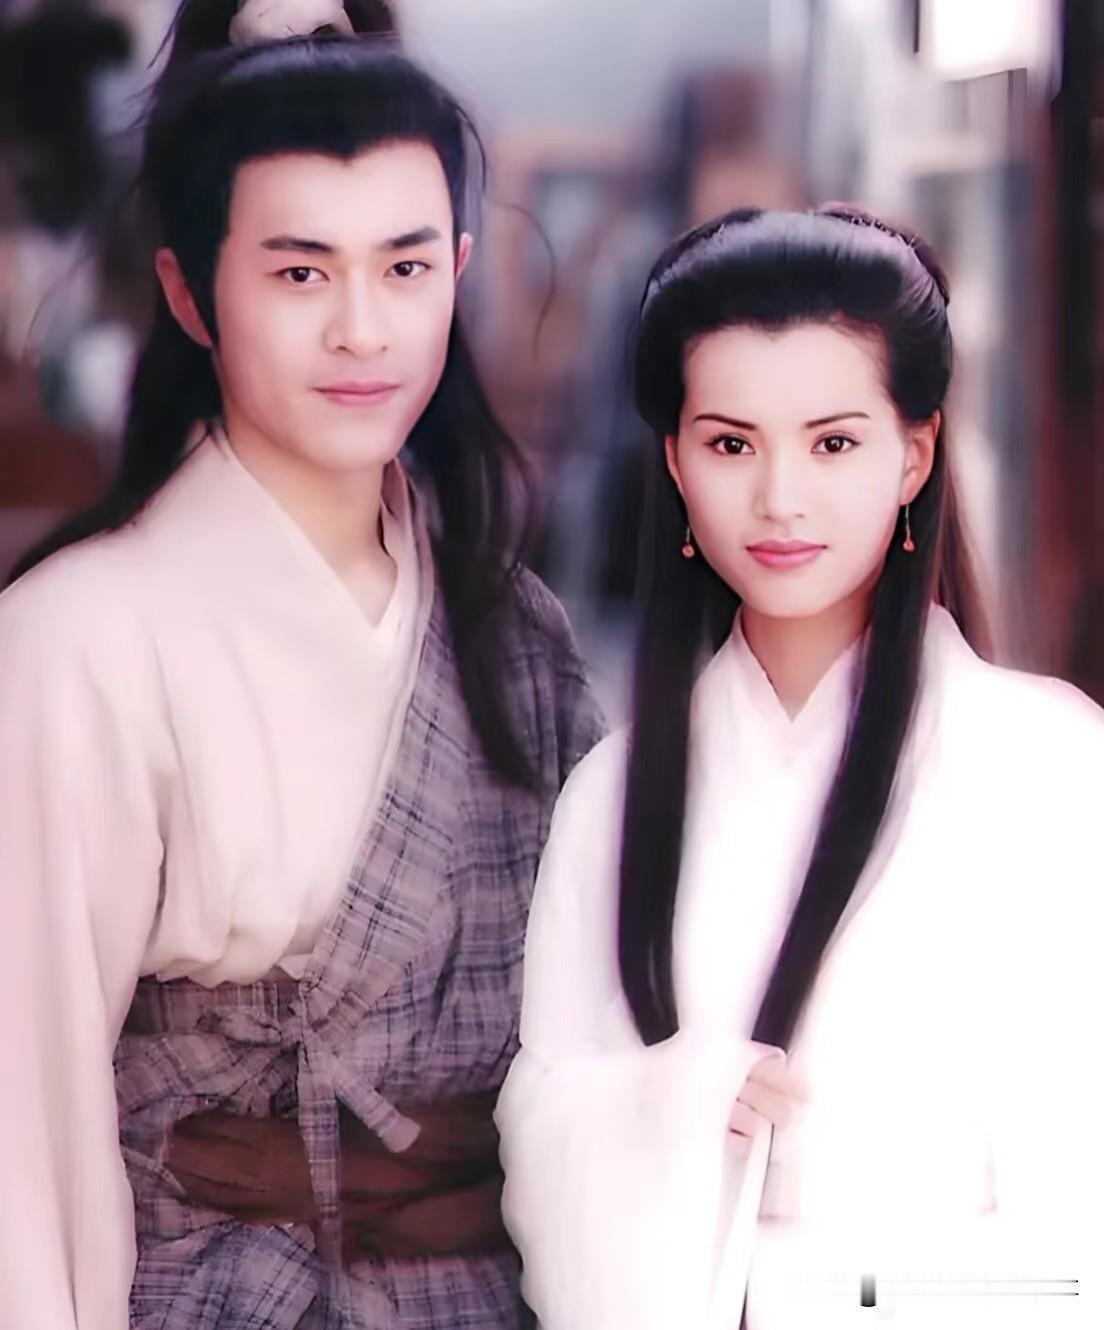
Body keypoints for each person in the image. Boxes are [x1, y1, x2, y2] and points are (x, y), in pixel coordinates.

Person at [0, 4, 603, 1327]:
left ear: (457, 269)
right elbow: (21, 1138)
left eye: (404, 268)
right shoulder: (74, 638)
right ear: (187, 294)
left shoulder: (516, 631)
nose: (363, 331)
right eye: (299, 274)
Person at [496, 205, 1104, 1328]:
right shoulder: (611, 798)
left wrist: (781, 1290)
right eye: (732, 444)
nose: (780, 497)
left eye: (833, 443)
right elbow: (541, 1162)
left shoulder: (1050, 767)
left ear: (915, 452)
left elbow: (1081, 1237)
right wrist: (673, 1107)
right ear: (675, 461)